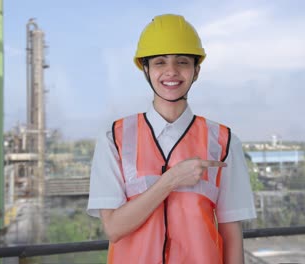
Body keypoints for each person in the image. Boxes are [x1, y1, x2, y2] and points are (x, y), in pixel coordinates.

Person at [87, 14, 256, 264]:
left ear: (196, 71)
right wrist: (172, 179)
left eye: (183, 62)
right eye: (160, 62)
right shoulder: (115, 138)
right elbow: (114, 228)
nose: (171, 72)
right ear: (145, 69)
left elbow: (231, 234)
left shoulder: (223, 141)